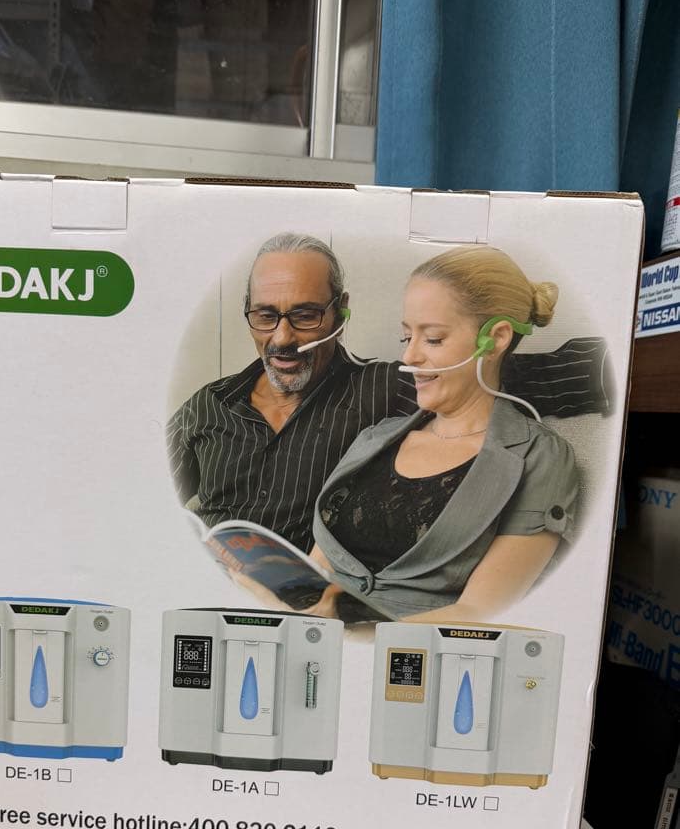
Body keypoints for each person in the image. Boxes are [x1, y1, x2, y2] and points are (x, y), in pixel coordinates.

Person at [310, 246, 579, 623]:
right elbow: (315, 572)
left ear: (496, 338)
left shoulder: (538, 457)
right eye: (407, 337)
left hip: (407, 650)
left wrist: (351, 639)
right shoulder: (375, 438)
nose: (409, 357)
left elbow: (479, 611)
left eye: (433, 339)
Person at [167, 233, 418, 553]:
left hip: (311, 581)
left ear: (341, 312)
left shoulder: (387, 388)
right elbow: (142, 495)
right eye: (266, 316)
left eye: (305, 316)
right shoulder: (210, 404)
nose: (282, 338)